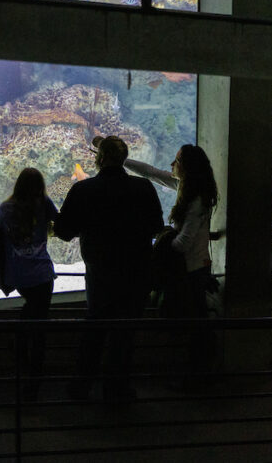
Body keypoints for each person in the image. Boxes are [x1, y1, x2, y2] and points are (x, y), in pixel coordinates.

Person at [54, 135, 164, 403]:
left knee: (95, 328)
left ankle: (81, 387)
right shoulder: (144, 188)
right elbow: (155, 227)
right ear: (124, 158)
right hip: (136, 272)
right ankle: (117, 389)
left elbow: (65, 231)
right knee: (125, 333)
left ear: (99, 158)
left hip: (100, 273)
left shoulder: (84, 190)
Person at [123, 141, 219, 384]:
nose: (172, 164)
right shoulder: (186, 188)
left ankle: (198, 376)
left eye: (177, 161)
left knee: (193, 324)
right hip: (191, 269)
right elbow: (151, 173)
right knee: (193, 323)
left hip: (191, 272)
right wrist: (122, 161)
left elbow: (184, 242)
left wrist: (164, 239)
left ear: (186, 167)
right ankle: (196, 375)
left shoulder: (196, 199)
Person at [0, 167, 58, 400]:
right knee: (39, 327)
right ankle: (34, 379)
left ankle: (21, 355)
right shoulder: (44, 203)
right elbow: (60, 224)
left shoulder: (5, 208)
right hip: (42, 274)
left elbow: (0, 239)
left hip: (20, 276)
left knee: (31, 316)